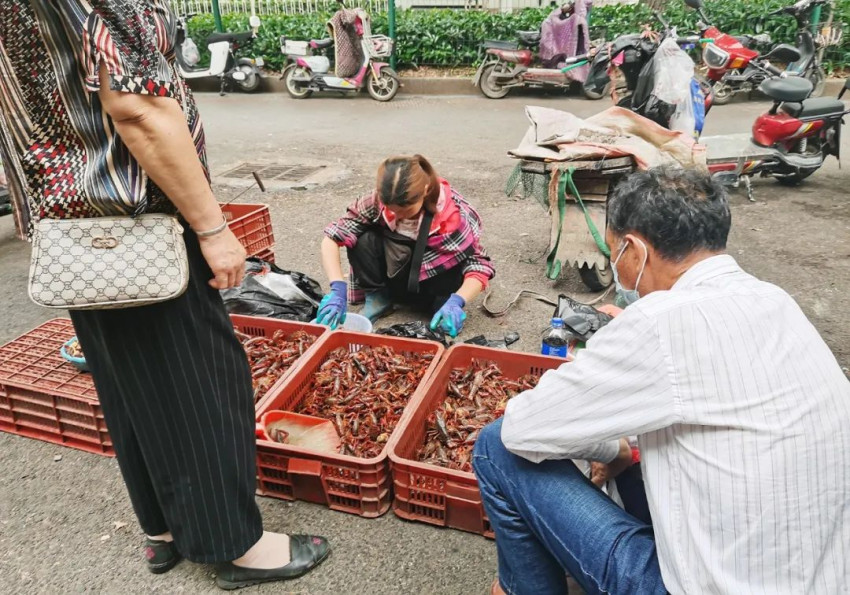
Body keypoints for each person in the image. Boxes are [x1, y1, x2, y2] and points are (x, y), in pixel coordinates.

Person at [0, 2, 328, 590]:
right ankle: (234, 546)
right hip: (142, 222)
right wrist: (212, 228)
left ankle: (164, 529)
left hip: (74, 228)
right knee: (203, 382)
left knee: (129, 384)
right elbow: (140, 110)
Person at [473, 166, 850, 595]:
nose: (616, 268)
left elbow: (524, 428)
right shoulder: (776, 300)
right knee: (633, 463)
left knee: (495, 446)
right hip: (825, 578)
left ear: (634, 249)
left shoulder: (659, 321)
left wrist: (611, 442)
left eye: (613, 253)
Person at [318, 155, 494, 337]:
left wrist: (458, 300)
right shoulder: (376, 200)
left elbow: (479, 266)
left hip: (435, 282)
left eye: (406, 210)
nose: (397, 216)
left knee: (449, 289)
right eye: (391, 209)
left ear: (425, 190)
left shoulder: (455, 216)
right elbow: (332, 237)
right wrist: (337, 288)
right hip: (397, 273)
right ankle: (378, 296)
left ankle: (442, 303)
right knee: (362, 236)